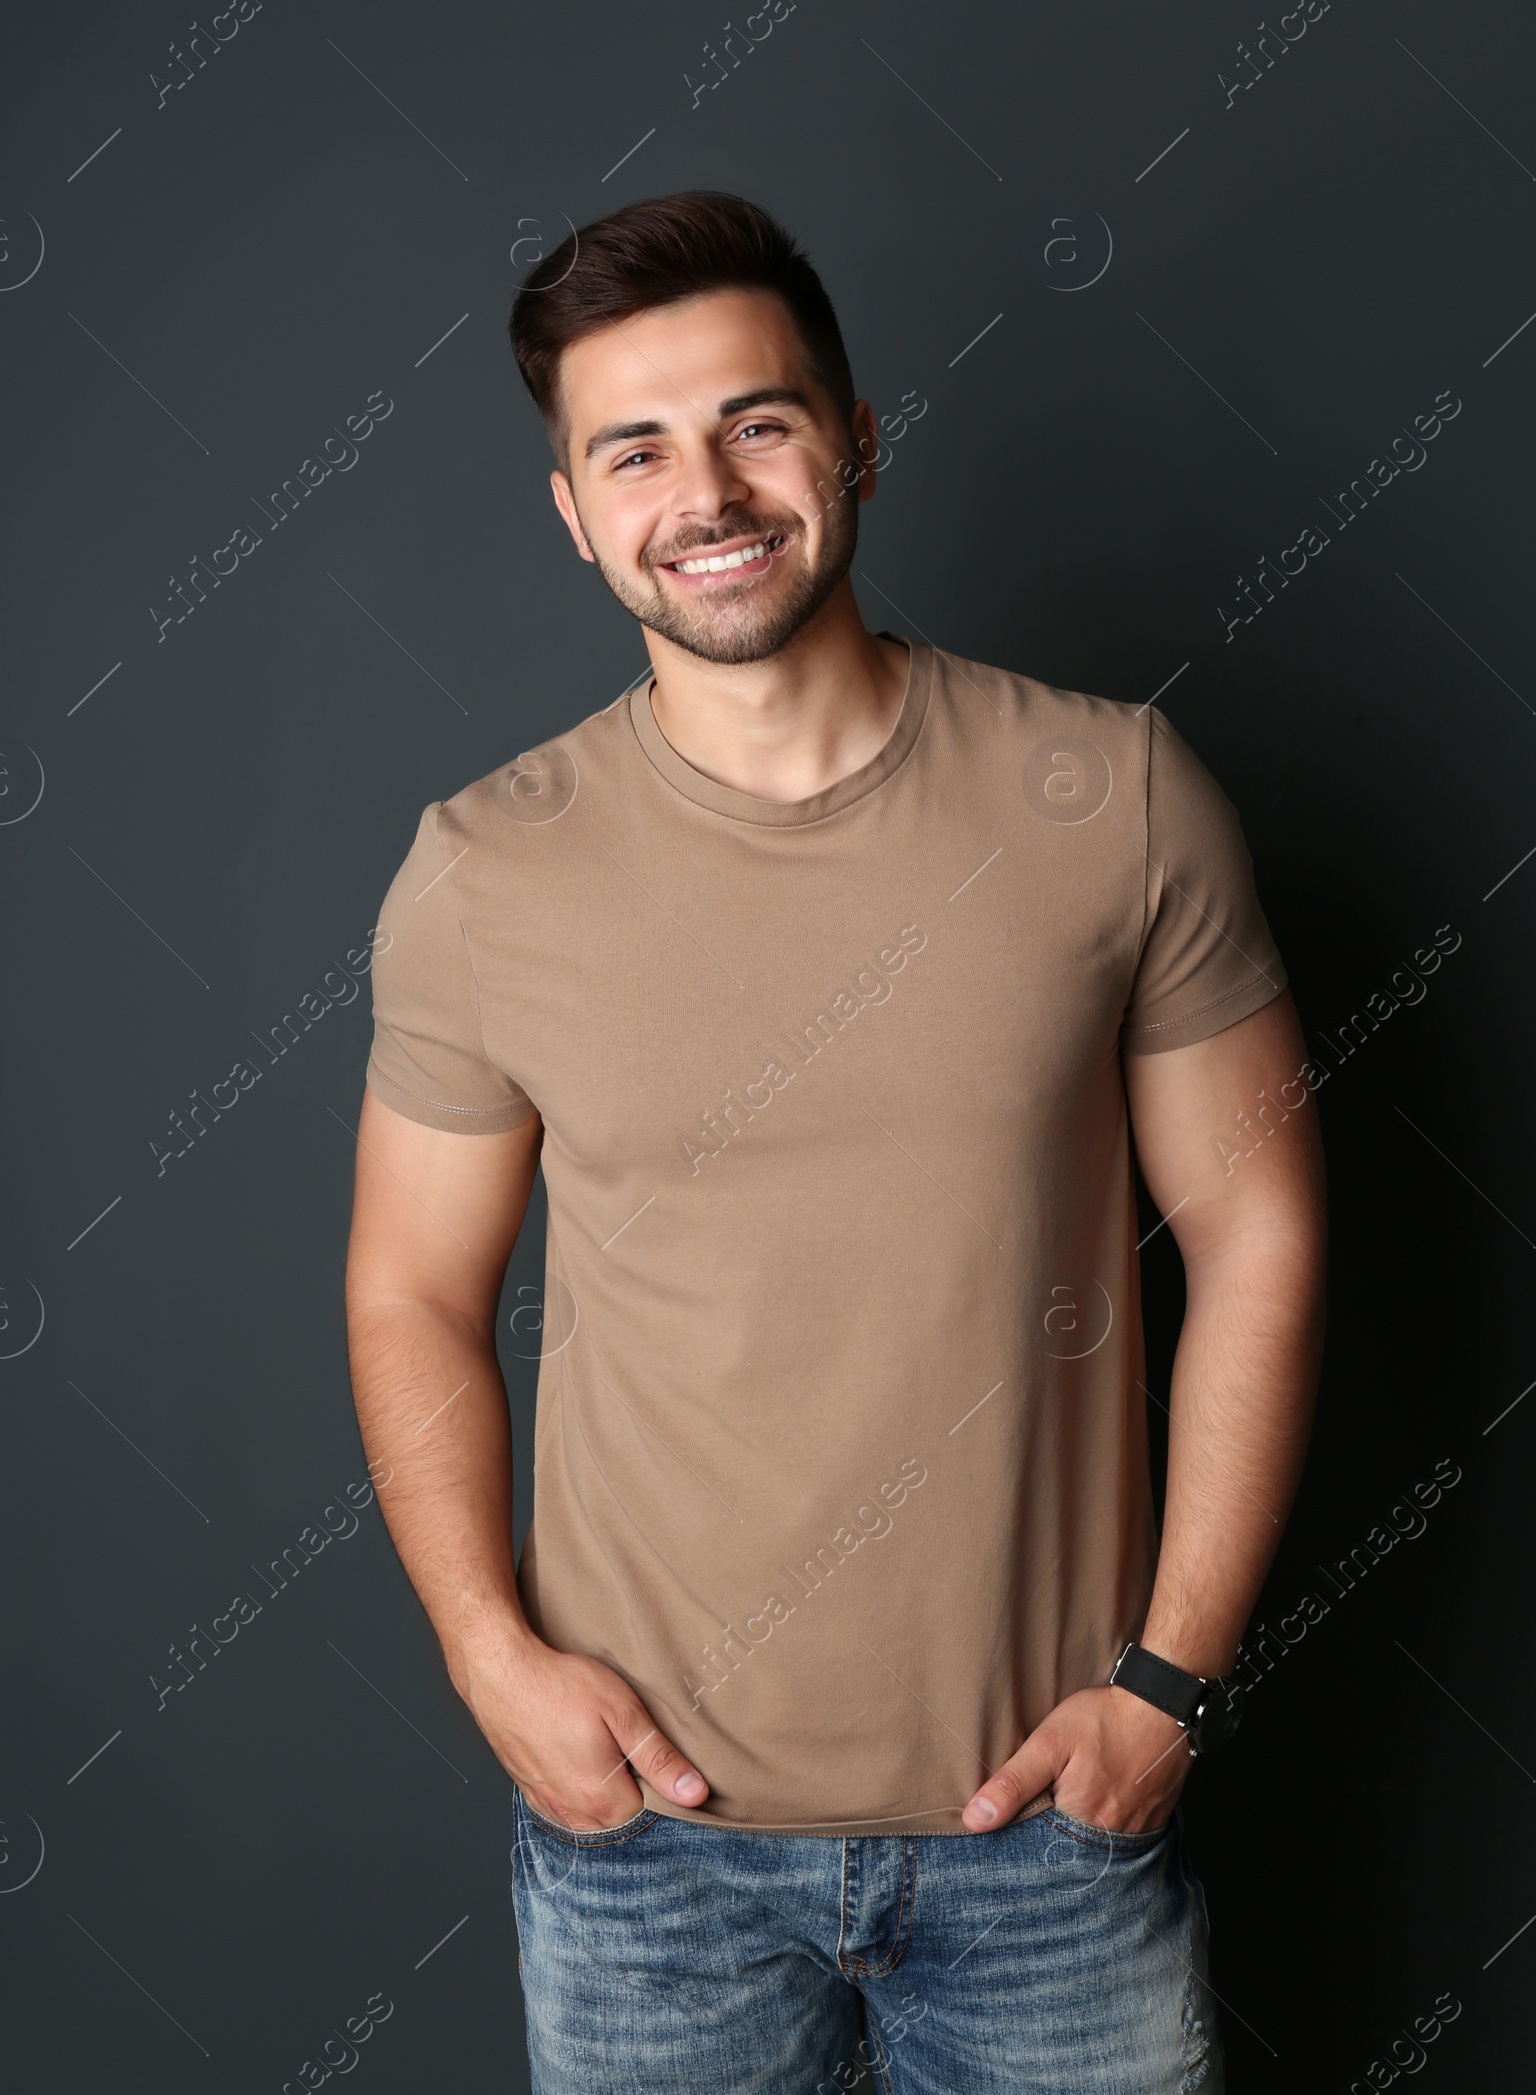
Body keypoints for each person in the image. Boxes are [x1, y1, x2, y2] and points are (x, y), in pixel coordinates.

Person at [343, 190, 1325, 2093]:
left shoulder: (1113, 798)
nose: (703, 490)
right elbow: (408, 1289)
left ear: (859, 440)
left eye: (757, 422)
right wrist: (488, 1658)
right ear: (573, 508)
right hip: (649, 1860)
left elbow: (1262, 1235)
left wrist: (1171, 1688)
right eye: (634, 449)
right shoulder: (482, 872)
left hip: (1049, 1836)